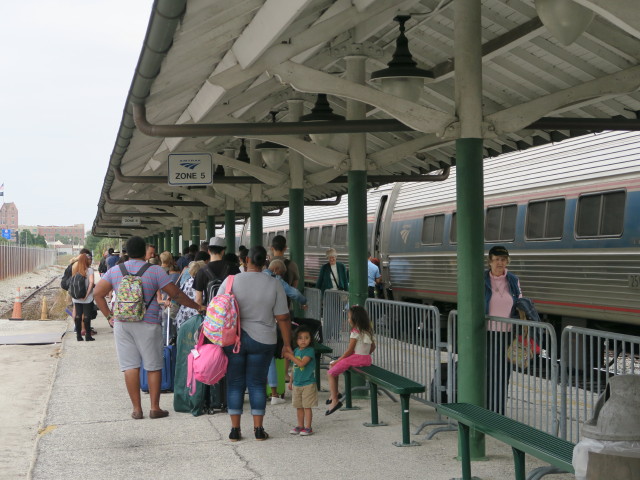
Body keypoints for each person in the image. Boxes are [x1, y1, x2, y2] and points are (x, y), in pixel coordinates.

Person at [93, 236, 207, 421]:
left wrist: (109, 317)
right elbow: (176, 294)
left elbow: (97, 294)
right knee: (153, 366)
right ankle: (155, 408)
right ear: (145, 251)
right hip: (149, 322)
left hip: (122, 324)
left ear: (128, 252)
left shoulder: (114, 271)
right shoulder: (154, 271)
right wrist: (197, 306)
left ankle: (137, 410)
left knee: (130, 366)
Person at [216, 246, 292, 442]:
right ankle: (258, 429)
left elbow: (217, 310)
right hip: (264, 339)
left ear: (246, 260)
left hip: (234, 339)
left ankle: (235, 429)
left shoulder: (230, 281)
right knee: (257, 383)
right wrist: (287, 344)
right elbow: (282, 317)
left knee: (235, 383)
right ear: (264, 261)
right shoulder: (274, 284)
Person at [263, 259, 307, 404]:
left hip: (252, 325)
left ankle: (258, 391)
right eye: (280, 273)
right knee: (270, 358)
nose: (280, 276)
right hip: (270, 323)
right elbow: (293, 293)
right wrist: (303, 301)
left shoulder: (255, 277)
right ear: (275, 270)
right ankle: (274, 394)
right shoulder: (275, 280)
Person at [484, 245, 522, 415]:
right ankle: (486, 409)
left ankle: (498, 411)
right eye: (497, 259)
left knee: (503, 374)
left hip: (508, 335)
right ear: (490, 261)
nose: (500, 263)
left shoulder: (513, 280)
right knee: (489, 372)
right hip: (487, 334)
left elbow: (520, 303)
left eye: (503, 260)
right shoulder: (482, 279)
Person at [325, 305, 375, 416]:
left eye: (349, 317)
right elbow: (373, 347)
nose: (348, 320)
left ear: (355, 319)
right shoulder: (368, 330)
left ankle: (334, 400)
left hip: (356, 358)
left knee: (330, 372)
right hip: (366, 359)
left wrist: (339, 360)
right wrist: (365, 355)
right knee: (332, 367)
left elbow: (349, 351)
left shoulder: (355, 332)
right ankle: (335, 393)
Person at [283, 325, 317, 436]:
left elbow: (302, 363)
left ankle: (308, 427)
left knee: (307, 406)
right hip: (297, 384)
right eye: (300, 338)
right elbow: (294, 368)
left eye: (306, 338)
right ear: (296, 340)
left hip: (308, 383)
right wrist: (291, 381)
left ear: (310, 339)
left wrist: (290, 356)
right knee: (299, 406)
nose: (303, 340)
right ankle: (300, 425)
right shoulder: (297, 350)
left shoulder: (310, 351)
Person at [193, 237, 240, 307]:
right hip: (229, 312)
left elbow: (198, 299)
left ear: (208, 251)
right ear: (223, 251)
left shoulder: (201, 271)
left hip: (210, 313)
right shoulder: (233, 268)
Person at [174, 260, 206, 330]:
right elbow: (199, 299)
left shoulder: (187, 281)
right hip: (195, 317)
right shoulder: (201, 283)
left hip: (182, 316)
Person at [71, 253, 95, 341]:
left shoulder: (75, 269)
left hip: (76, 297)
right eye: (88, 259)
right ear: (86, 261)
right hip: (86, 298)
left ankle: (78, 336)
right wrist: (86, 295)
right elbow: (91, 283)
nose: (90, 261)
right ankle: (88, 336)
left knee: (78, 315)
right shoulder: (90, 270)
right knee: (86, 316)